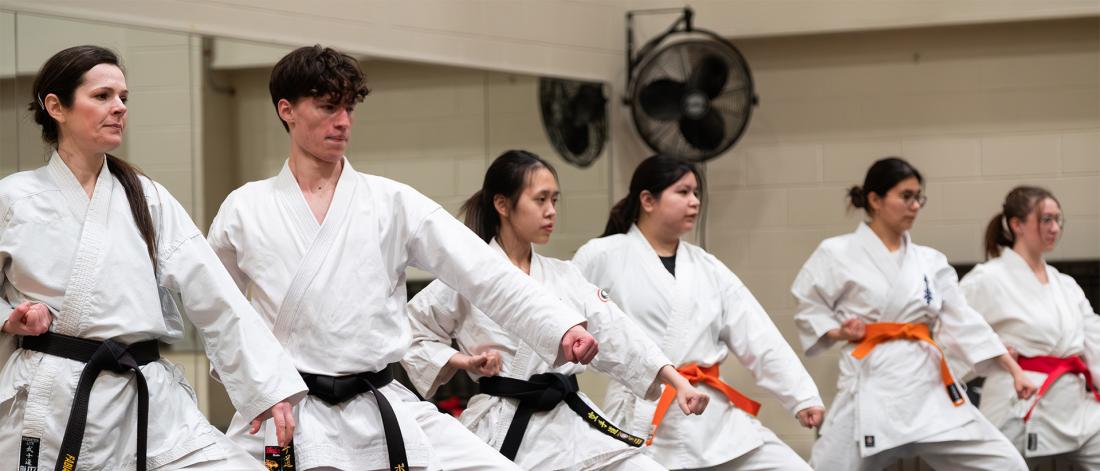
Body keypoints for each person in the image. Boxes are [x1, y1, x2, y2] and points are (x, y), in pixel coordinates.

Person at [207, 45, 600, 471]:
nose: (343, 122)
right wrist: (256, 389)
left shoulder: (391, 203)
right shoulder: (244, 209)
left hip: (378, 408)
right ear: (287, 110)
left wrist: (558, 326)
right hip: (286, 412)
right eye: (327, 107)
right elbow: (217, 313)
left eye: (349, 108)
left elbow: (484, 272)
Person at [0, 45, 305, 471]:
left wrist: (268, 387)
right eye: (103, 96)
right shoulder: (14, 197)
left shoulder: (145, 196)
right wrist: (9, 318)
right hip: (54, 396)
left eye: (123, 97)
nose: (119, 108)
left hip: (147, 395)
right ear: (56, 106)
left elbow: (214, 295)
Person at [403, 150, 710, 471]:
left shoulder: (565, 276)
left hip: (570, 421)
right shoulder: (468, 276)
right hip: (502, 422)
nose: (551, 212)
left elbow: (616, 330)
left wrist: (676, 381)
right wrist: (462, 360)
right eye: (540, 200)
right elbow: (412, 330)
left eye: (555, 200)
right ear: (502, 205)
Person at [573, 155, 824, 470]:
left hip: (711, 416)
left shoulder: (708, 267)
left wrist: (801, 396)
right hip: (642, 411)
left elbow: (756, 333)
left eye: (696, 193)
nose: (694, 202)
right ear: (648, 200)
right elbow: (558, 319)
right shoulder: (602, 255)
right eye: (683, 192)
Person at [791, 156, 1037, 470]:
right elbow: (809, 308)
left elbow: (964, 322)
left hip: (927, 384)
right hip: (871, 386)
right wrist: (841, 331)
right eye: (906, 196)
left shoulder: (930, 261)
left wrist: (1014, 370)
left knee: (1007, 464)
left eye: (918, 197)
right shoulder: (836, 252)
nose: (915, 205)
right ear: (875, 200)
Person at [959, 186, 1100, 468]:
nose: (1055, 228)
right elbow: (954, 329)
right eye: (1046, 219)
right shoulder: (988, 278)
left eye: (1059, 220)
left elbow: (1095, 339)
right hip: (1020, 403)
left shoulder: (1066, 285)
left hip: (1075, 404)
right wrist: (992, 356)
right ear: (1017, 224)